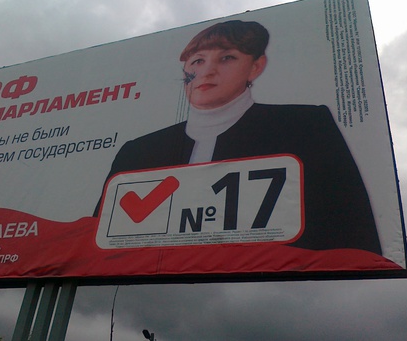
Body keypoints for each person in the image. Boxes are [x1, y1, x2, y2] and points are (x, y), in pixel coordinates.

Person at [96, 20, 382, 255]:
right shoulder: (138, 151)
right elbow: (96, 244)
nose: (207, 71)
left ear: (256, 66)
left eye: (227, 58)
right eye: (197, 61)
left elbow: (352, 233)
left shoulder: (305, 126)